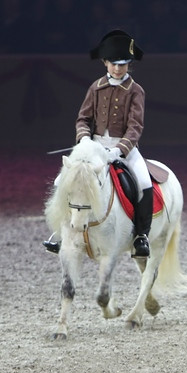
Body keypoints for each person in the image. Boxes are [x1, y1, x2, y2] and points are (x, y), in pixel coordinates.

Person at [44, 29, 153, 257]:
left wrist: (118, 150)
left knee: (144, 183)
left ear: (129, 65)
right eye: (113, 63)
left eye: (122, 64)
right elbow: (83, 118)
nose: (117, 68)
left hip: (122, 147)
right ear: (105, 62)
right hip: (93, 146)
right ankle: (61, 232)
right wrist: (83, 138)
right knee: (60, 180)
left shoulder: (135, 91)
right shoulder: (96, 87)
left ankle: (141, 236)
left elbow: (135, 127)